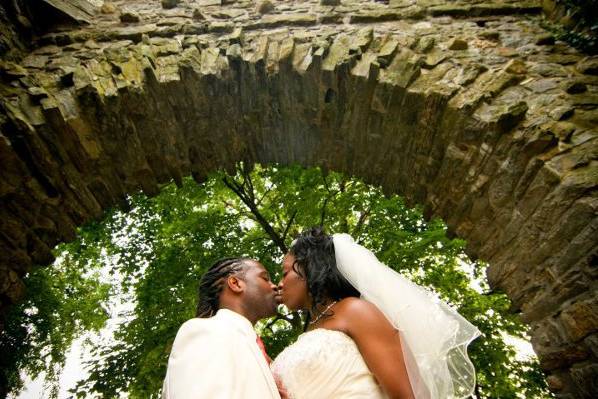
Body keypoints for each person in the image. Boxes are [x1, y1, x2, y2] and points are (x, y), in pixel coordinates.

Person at [271, 228, 480, 399]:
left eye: (285, 273)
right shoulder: (309, 330)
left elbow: (407, 395)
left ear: (309, 268)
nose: (280, 284)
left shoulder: (355, 310)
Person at [162, 257, 283, 399]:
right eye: (265, 278)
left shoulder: (253, 347)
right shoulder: (204, 332)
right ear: (235, 283)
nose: (274, 285)